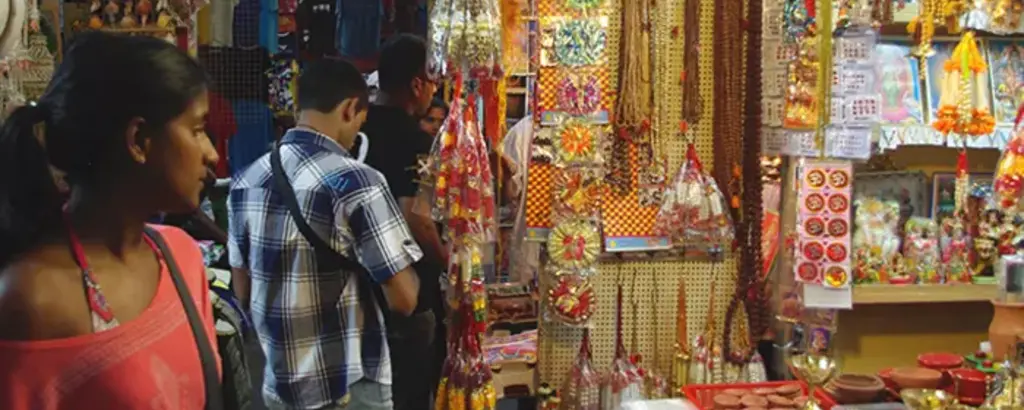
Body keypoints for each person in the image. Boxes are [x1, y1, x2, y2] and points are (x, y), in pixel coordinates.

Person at [0, 32, 221, 409]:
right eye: (198, 130)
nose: (212, 155)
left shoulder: (180, 257)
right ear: (138, 140)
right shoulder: (35, 299)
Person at [228, 58, 422, 410]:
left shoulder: (246, 180)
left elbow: (242, 290)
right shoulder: (358, 182)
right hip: (346, 389)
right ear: (350, 109)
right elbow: (404, 300)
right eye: (359, 121)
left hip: (277, 386)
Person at [361, 33, 447, 410]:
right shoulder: (414, 140)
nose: (434, 90)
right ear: (416, 84)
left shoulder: (355, 129)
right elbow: (418, 218)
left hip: (359, 288)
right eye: (432, 81)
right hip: (408, 291)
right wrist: (447, 263)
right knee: (410, 392)